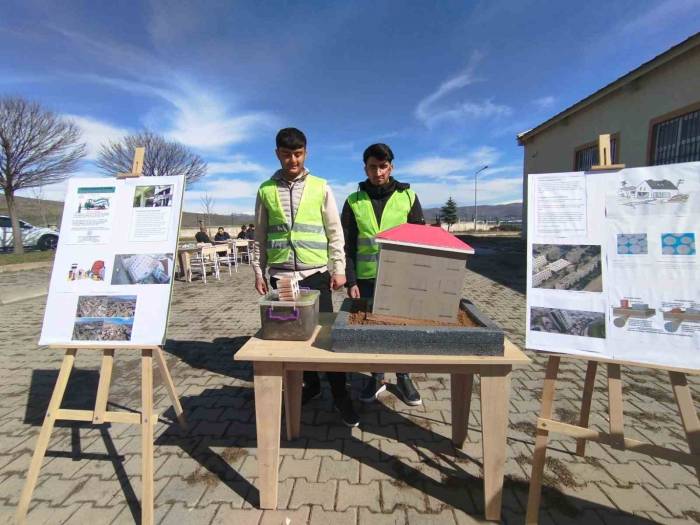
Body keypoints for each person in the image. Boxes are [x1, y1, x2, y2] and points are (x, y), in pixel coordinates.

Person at [252, 127, 358, 427]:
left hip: (316, 276)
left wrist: (338, 269)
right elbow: (259, 236)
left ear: (306, 153)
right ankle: (310, 385)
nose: (292, 160)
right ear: (277, 154)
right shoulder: (265, 190)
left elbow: (335, 232)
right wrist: (259, 271)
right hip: (282, 279)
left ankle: (341, 395)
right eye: (287, 155)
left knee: (326, 339)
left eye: (297, 154)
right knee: (291, 338)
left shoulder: (321, 187)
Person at [341, 143, 425, 406]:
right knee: (373, 329)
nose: (378, 172)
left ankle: (403, 376)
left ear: (392, 167)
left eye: (383, 166)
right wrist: (351, 279)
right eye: (372, 167)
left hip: (402, 278)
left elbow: (420, 241)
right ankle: (376, 376)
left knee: (402, 328)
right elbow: (348, 244)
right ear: (365, 168)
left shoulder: (408, 197)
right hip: (366, 280)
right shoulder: (353, 201)